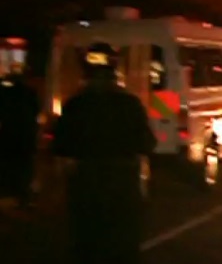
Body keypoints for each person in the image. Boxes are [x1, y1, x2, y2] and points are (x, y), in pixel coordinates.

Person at [51, 42, 156, 264]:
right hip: (122, 181)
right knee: (122, 241)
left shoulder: (75, 105)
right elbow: (146, 143)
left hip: (86, 180)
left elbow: (61, 145)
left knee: (86, 240)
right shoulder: (130, 104)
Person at [0, 64, 40, 209]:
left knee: (9, 163)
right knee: (24, 165)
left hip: (9, 133)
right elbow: (35, 110)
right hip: (25, 134)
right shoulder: (29, 93)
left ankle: (10, 191)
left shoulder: (4, 93)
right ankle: (23, 194)